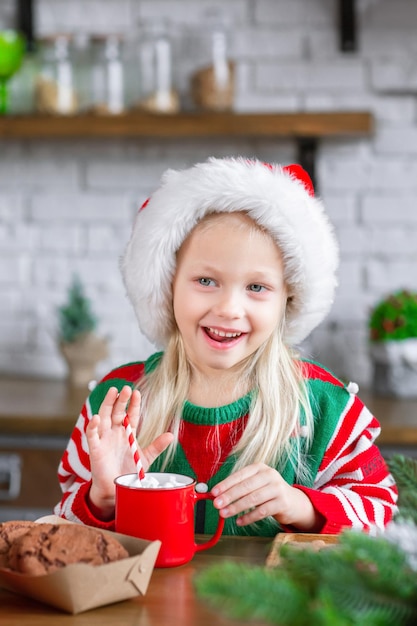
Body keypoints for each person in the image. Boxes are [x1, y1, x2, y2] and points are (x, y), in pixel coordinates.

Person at [54, 157, 397, 536]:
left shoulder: (324, 407)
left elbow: (381, 513)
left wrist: (301, 505)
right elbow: (65, 524)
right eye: (205, 280)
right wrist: (102, 498)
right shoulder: (117, 403)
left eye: (256, 287)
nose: (229, 309)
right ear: (167, 286)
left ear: (288, 298)